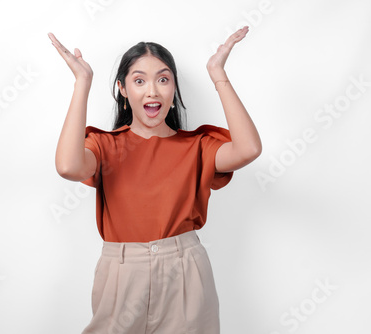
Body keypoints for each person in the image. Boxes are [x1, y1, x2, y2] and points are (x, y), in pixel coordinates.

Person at [49, 27, 261, 334]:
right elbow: (68, 166)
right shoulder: (106, 146)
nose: (152, 91)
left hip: (186, 272)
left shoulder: (197, 146)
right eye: (139, 80)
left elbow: (249, 148)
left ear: (173, 89)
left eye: (163, 79)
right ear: (122, 89)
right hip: (122, 275)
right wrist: (82, 82)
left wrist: (218, 74)